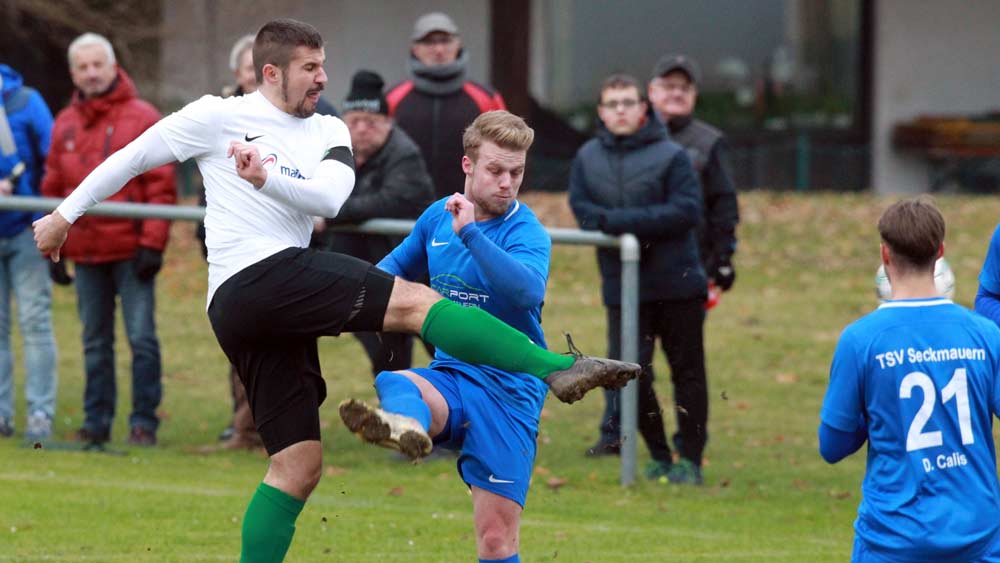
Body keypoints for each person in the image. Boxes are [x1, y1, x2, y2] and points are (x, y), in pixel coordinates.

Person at [31, 19, 639, 562]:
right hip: (251, 279)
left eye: (324, 65)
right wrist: (65, 214)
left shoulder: (329, 128)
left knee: (297, 467)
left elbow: (329, 198)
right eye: (310, 68)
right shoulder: (215, 117)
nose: (324, 77)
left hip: (267, 303)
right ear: (271, 72)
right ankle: (558, 367)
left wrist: (268, 175)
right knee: (421, 303)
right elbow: (134, 156)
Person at [339, 110, 547, 563]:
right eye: (496, 170)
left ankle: (411, 423)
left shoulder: (525, 231)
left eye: (516, 172)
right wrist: (331, 308)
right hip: (453, 374)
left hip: (510, 390)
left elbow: (526, 291)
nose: (507, 182)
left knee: (495, 539)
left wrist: (471, 233)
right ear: (468, 166)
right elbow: (386, 274)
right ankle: (408, 427)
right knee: (395, 381)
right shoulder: (437, 217)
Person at [820, 197, 1000, 561]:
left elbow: (832, 446)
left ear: (885, 255)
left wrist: (874, 416)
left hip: (892, 540)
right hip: (978, 537)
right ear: (941, 253)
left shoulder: (861, 340)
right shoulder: (986, 335)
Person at [569, 73, 708, 485]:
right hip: (622, 288)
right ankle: (659, 455)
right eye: (612, 104)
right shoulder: (587, 158)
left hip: (677, 283)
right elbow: (584, 212)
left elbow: (685, 211)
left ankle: (691, 459)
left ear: (643, 108)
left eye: (628, 102)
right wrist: (617, 225)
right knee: (631, 373)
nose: (621, 110)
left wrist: (620, 225)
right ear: (601, 112)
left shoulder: (672, 156)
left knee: (688, 374)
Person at [41, 32, 176, 447]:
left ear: (114, 65)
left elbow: (161, 185)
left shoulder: (143, 116)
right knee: (94, 342)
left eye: (98, 64)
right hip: (86, 252)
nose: (92, 73)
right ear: (73, 74)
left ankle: (143, 423)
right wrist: (54, 246)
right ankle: (95, 422)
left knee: (141, 340)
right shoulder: (63, 122)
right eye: (83, 67)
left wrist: (153, 243)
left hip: (133, 249)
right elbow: (53, 187)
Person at [314, 69, 433, 375]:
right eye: (355, 122)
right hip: (361, 272)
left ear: (388, 123)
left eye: (372, 122)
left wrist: (329, 211)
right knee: (385, 353)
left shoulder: (404, 154)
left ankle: (469, 409)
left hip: (417, 271)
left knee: (443, 346)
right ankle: (398, 412)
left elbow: (392, 199)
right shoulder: (334, 151)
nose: (363, 129)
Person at [387, 12, 506, 200]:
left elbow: (506, 151)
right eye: (429, 42)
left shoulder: (486, 98)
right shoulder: (392, 98)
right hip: (406, 212)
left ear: (458, 45)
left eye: (445, 41)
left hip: (470, 209)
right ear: (414, 48)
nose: (439, 49)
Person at [648, 54, 739, 296]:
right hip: (639, 263)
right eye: (669, 86)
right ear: (651, 91)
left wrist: (723, 258)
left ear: (694, 94)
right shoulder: (633, 138)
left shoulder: (710, 142)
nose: (677, 93)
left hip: (692, 264)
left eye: (684, 88)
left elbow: (724, 203)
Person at [0, 64, 58, 441]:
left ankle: (40, 414)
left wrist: (43, 217)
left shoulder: (26, 101)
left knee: (35, 323)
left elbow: (52, 162)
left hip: (25, 229)